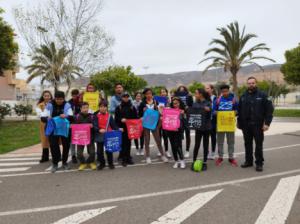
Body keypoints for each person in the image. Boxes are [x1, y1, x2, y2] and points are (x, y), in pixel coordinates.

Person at [238, 77, 274, 172]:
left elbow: (269, 110)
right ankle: (248, 161)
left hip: (258, 125)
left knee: (258, 145)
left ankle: (259, 163)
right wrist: (239, 123)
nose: (251, 85)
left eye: (253, 83)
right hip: (246, 125)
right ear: (247, 84)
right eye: (249, 83)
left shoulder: (263, 95)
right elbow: (240, 111)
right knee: (247, 144)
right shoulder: (243, 96)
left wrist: (267, 123)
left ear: (256, 83)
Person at [42, 91, 73, 173]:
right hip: (53, 128)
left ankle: (65, 162)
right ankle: (55, 163)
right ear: (54, 98)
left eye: (61, 99)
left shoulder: (67, 105)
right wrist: (47, 118)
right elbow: (42, 117)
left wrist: (66, 116)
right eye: (57, 99)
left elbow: (72, 117)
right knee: (53, 145)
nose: (59, 101)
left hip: (64, 128)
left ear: (64, 99)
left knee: (66, 145)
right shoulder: (49, 105)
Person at [138, 88, 168, 164]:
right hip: (146, 124)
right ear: (145, 95)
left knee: (158, 139)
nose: (149, 95)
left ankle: (162, 155)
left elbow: (160, 111)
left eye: (150, 93)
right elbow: (139, 114)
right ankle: (148, 156)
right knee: (147, 140)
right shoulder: (142, 103)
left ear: (152, 94)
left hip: (154, 124)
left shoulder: (156, 102)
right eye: (147, 94)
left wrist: (161, 115)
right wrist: (141, 117)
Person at [213, 84, 238, 167]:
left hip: (230, 124)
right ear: (221, 92)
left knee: (231, 142)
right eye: (223, 91)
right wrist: (215, 112)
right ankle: (220, 157)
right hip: (220, 124)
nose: (225, 93)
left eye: (226, 91)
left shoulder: (233, 99)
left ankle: (231, 158)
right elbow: (213, 111)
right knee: (220, 142)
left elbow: (237, 110)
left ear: (229, 90)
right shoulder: (218, 100)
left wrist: (235, 112)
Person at [115, 92, 138, 166]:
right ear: (121, 98)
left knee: (128, 143)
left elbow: (135, 117)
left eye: (127, 97)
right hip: (122, 128)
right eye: (124, 97)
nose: (125, 98)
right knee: (123, 144)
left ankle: (128, 157)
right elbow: (116, 119)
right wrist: (121, 120)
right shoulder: (118, 107)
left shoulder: (132, 107)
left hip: (130, 128)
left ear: (129, 97)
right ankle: (123, 159)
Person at [94, 100, 119, 170]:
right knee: (99, 151)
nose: (103, 108)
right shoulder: (96, 116)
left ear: (106, 108)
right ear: (99, 107)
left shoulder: (109, 116)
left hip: (108, 135)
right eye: (101, 107)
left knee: (109, 150)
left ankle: (110, 163)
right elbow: (94, 125)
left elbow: (113, 125)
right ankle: (102, 163)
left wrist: (118, 129)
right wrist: (99, 129)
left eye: (104, 107)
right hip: (99, 135)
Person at [192, 88, 211, 171]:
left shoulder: (208, 103)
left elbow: (210, 111)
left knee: (205, 145)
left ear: (201, 94)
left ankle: (205, 162)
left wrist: (208, 109)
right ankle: (194, 160)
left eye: (196, 93)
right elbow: (192, 113)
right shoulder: (195, 103)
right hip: (198, 127)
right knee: (197, 144)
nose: (195, 95)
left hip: (206, 127)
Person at [74, 102, 97, 171]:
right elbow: (73, 125)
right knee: (79, 153)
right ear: (80, 109)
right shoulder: (77, 116)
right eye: (84, 108)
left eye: (87, 107)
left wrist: (93, 126)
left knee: (92, 152)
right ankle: (83, 163)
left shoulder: (92, 116)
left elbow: (96, 126)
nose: (85, 109)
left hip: (90, 137)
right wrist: (72, 126)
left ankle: (91, 162)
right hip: (80, 138)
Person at [174, 85, 193, 158]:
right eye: (180, 90)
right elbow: (173, 104)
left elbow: (191, 105)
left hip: (186, 116)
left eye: (183, 90)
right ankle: (180, 150)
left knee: (187, 133)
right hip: (178, 117)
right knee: (180, 134)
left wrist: (190, 96)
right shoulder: (176, 96)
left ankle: (187, 150)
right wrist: (174, 96)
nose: (182, 91)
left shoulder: (189, 96)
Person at [167, 97, 186, 169]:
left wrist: (183, 114)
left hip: (179, 131)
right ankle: (176, 161)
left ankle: (182, 160)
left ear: (179, 103)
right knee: (173, 146)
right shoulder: (169, 110)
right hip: (170, 131)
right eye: (174, 103)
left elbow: (184, 121)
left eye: (177, 103)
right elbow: (166, 118)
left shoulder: (182, 111)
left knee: (178, 145)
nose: (176, 105)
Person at [36, 90, 53, 163]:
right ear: (43, 96)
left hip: (52, 122)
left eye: (48, 95)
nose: (47, 97)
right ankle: (45, 157)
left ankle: (56, 156)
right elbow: (39, 114)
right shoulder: (40, 105)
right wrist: (46, 116)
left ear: (50, 96)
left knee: (53, 139)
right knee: (45, 139)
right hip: (44, 123)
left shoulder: (53, 103)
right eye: (45, 95)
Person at [68, 89, 81, 164]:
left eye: (77, 95)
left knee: (79, 139)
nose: (75, 97)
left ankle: (79, 154)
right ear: (72, 95)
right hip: (72, 124)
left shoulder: (81, 102)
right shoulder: (69, 103)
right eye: (74, 95)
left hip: (80, 124)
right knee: (72, 141)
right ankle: (73, 155)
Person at [205, 84, 217, 160]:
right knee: (206, 138)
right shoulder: (203, 98)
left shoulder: (216, 98)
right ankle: (207, 152)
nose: (206, 90)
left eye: (208, 88)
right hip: (206, 121)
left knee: (213, 137)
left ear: (212, 89)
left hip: (213, 121)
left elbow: (217, 108)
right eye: (205, 88)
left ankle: (213, 152)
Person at [158, 87, 171, 158]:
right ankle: (160, 151)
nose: (163, 93)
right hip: (159, 120)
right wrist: (159, 115)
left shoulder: (168, 100)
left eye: (164, 92)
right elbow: (156, 109)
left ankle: (166, 150)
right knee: (159, 136)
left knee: (165, 136)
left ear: (166, 93)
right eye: (161, 92)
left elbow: (170, 110)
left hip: (166, 120)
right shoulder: (157, 100)